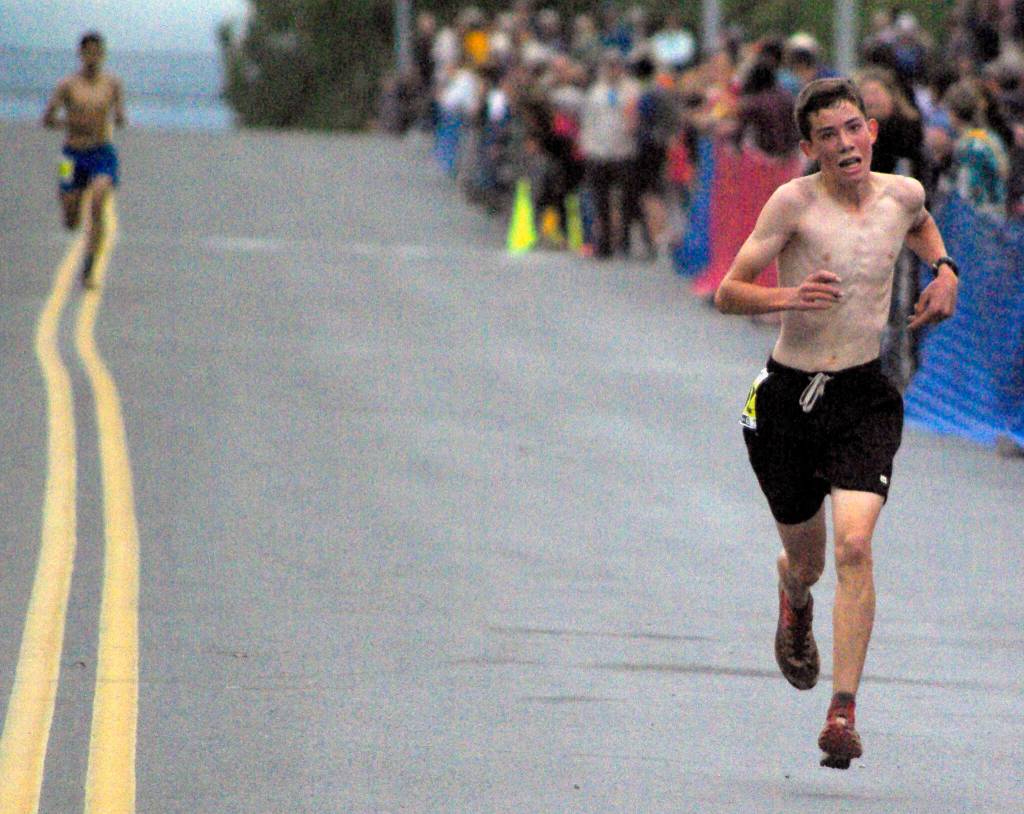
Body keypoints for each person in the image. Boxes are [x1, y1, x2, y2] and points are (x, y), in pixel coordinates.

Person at [714, 78, 959, 769]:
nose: (846, 143)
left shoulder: (902, 195)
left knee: (855, 545)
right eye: (828, 135)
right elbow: (730, 292)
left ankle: (842, 712)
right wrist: (792, 294)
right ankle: (793, 594)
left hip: (862, 396)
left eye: (854, 128)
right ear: (809, 147)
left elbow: (921, 225)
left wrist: (945, 270)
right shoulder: (793, 204)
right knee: (811, 561)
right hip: (787, 401)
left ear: (871, 131)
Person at [42, 31, 125, 288]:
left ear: (103, 55)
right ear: (80, 54)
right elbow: (48, 119)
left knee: (99, 200)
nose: (92, 58)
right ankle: (69, 205)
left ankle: (89, 267)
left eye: (96, 53)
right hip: (71, 155)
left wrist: (118, 118)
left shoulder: (112, 84)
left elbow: (120, 115)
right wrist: (70, 123)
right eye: (87, 52)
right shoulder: (67, 85)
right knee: (71, 219)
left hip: (101, 153)